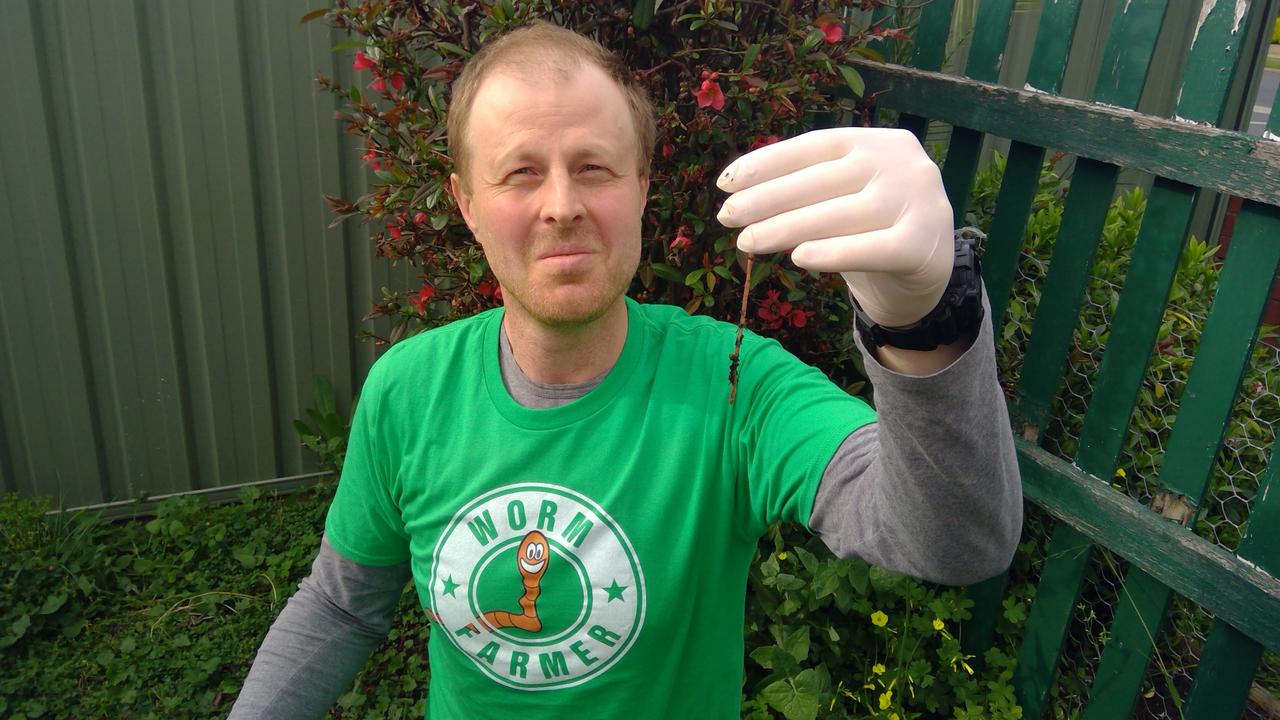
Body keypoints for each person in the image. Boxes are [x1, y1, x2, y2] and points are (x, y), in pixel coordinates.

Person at [229, 21, 1020, 720]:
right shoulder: (408, 389)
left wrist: (926, 320)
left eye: (596, 168)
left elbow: (957, 542)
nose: (562, 204)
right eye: (520, 173)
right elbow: (340, 606)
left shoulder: (737, 384)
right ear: (465, 202)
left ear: (643, 186)